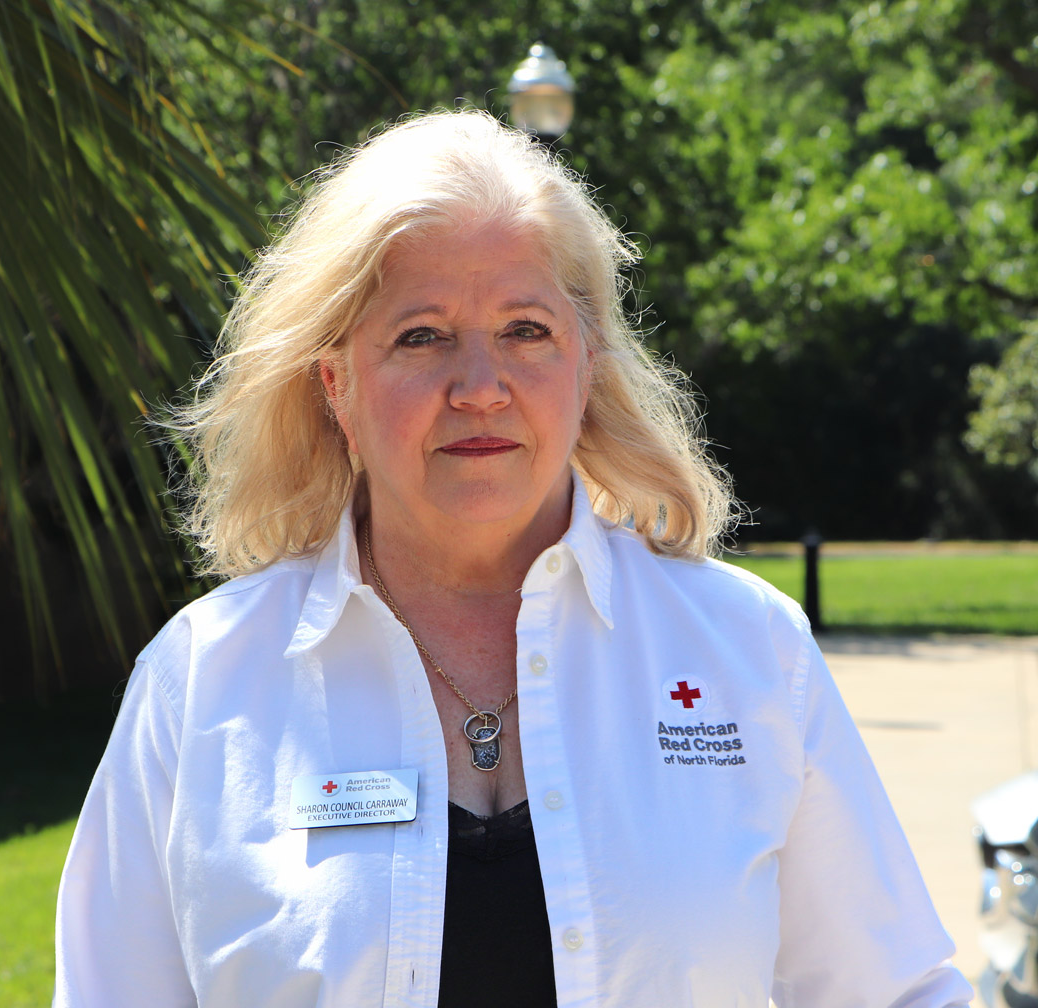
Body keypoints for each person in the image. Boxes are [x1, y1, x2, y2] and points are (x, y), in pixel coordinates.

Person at [54, 109, 972, 1007]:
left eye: (526, 331)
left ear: (587, 363)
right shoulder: (206, 682)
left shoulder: (747, 649)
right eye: (422, 336)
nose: (481, 388)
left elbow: (898, 991)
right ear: (335, 383)